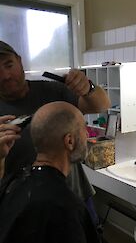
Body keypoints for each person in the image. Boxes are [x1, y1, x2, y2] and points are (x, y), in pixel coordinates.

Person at [0, 40, 110, 222]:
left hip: (74, 193)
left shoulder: (52, 90)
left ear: (19, 61)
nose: (5, 75)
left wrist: (87, 88)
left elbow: (102, 105)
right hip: (27, 209)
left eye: (8, 65)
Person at [0, 102, 99, 243]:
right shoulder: (67, 208)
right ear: (69, 141)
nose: (87, 134)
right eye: (83, 128)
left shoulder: (11, 184)